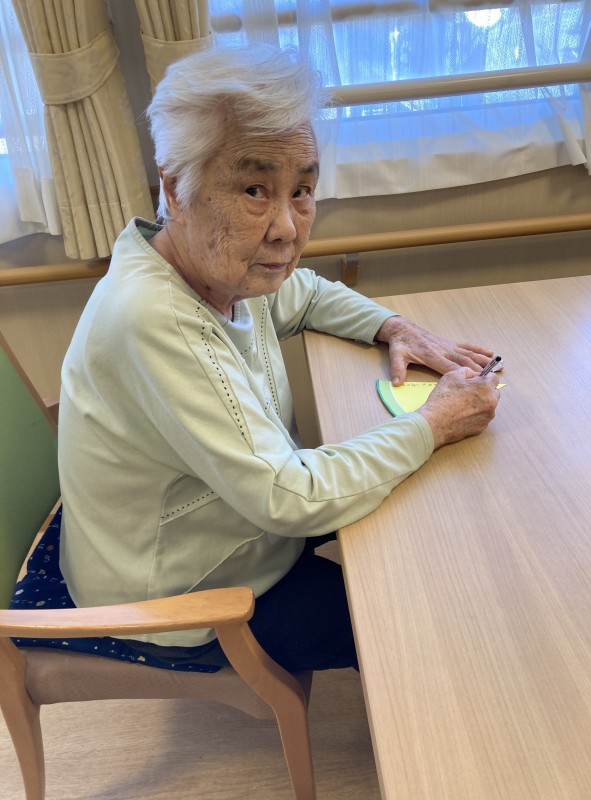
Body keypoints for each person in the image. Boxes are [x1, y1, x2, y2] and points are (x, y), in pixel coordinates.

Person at [51, 44, 500, 674]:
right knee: (429, 616)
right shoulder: (153, 318)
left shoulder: (214, 265)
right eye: (255, 190)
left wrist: (396, 326)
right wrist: (435, 421)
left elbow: (306, 293)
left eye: (303, 190)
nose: (287, 227)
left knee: (435, 525)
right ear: (175, 188)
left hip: (237, 519)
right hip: (176, 591)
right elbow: (291, 498)